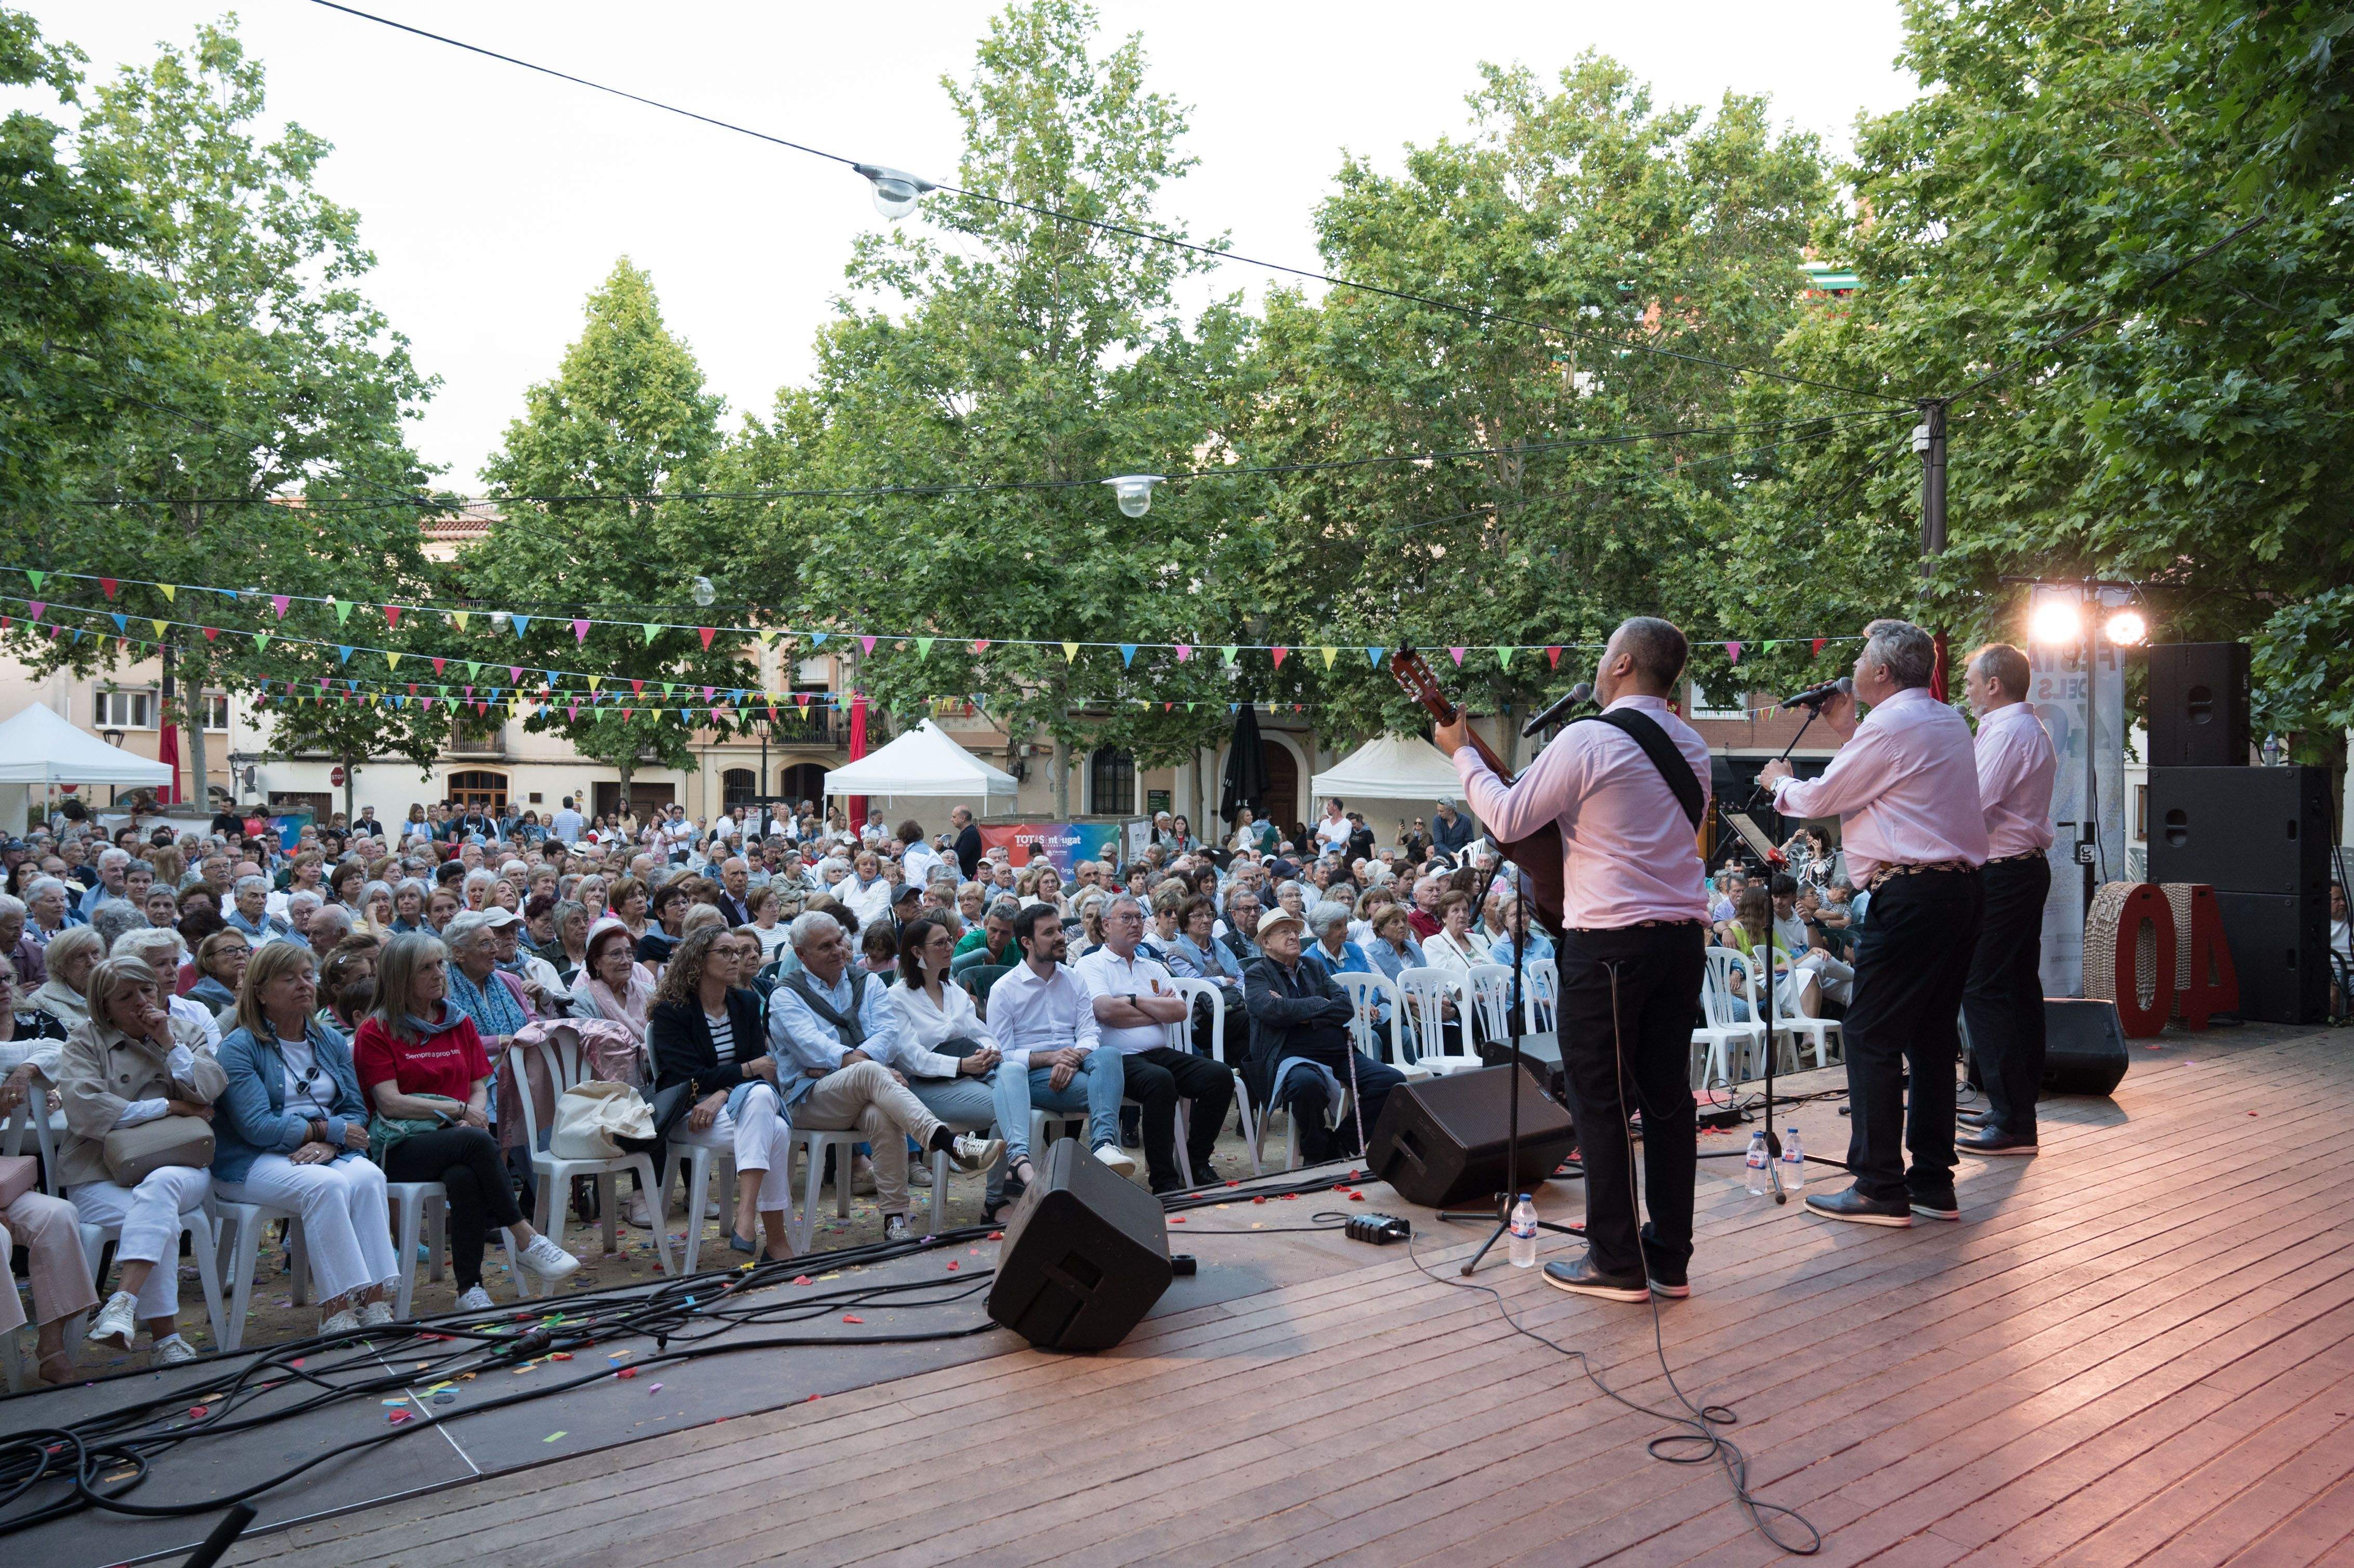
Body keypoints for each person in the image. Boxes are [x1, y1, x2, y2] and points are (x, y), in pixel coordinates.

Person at [1437, 615, 1711, 1302]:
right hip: (1680, 940)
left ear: (1622, 664)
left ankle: (1615, 1260)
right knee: (1669, 1101)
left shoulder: (1588, 738)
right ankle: (1668, 1261)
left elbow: (1506, 819)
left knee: (1600, 1101)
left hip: (1610, 943)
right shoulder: (1693, 745)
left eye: (1604, 654)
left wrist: (1460, 753)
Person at [1761, 619, 1989, 1227]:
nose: (1854, 666)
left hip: (1911, 896)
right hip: (1958, 892)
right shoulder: (1944, 719)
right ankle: (1932, 1183)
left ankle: (1878, 1184)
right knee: (1932, 1037)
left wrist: (1780, 783)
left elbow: (1822, 798)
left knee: (1869, 1033)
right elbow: (1890, 777)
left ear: (1882, 672)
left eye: (1863, 657)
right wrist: (1845, 729)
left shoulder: (1889, 726)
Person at [353, 933, 580, 1309]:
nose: (439, 974)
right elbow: (389, 1103)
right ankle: (524, 1236)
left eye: (440, 964)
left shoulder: (457, 1022)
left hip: (455, 1138)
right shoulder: (377, 1030)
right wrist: (461, 1114)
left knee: (465, 1176)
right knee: (477, 1143)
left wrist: (470, 1115)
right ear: (399, 977)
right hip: (399, 1145)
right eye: (426, 968)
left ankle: (469, 1289)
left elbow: (478, 1085)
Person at [765, 911, 1003, 1243]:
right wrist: (865, 1064)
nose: (839, 950)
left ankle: (896, 1218)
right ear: (802, 955)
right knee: (870, 1073)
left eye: (840, 941)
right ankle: (949, 1143)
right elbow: (810, 1048)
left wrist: (856, 1062)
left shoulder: (868, 982)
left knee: (881, 1110)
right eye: (826, 946)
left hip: (864, 1092)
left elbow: (887, 1036)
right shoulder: (786, 995)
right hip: (809, 1098)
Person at [212, 944, 398, 1335]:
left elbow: (355, 1111)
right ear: (260, 992)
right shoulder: (239, 1047)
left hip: (319, 1151)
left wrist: (332, 1144)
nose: (303, 984)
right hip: (251, 1159)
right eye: (288, 978)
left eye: (306, 975)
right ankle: (336, 1308)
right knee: (326, 1185)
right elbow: (257, 1127)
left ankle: (375, 1300)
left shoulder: (328, 1040)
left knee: (369, 1179)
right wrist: (329, 1131)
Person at [57, 956, 228, 1362]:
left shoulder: (184, 1031)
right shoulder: (85, 1040)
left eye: (147, 990)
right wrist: (170, 1107)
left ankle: (122, 1304)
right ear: (104, 1006)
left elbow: (210, 1090)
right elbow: (87, 1109)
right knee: (159, 1217)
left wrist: (170, 1045)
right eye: (126, 996)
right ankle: (166, 1341)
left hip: (181, 1161)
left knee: (161, 1187)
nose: (141, 1002)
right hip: (98, 1171)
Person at [1957, 642, 2057, 1157]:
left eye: (1972, 680)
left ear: (1994, 684)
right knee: (2016, 989)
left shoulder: (2008, 731)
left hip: (2005, 872)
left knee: (1981, 986)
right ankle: (2016, 1111)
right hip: (2018, 870)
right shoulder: (2019, 727)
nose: (1967, 688)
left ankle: (2012, 1116)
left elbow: (1971, 803)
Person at [648, 927, 792, 1260]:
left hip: (731, 1106)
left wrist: (724, 1093)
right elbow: (689, 1076)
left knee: (763, 1104)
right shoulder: (673, 1011)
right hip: (691, 1115)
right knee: (776, 1127)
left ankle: (746, 1216)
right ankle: (776, 1241)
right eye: (725, 952)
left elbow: (766, 1069)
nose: (736, 960)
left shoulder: (745, 1001)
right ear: (699, 960)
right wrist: (744, 1072)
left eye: (737, 953)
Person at [1076, 896, 1232, 1192]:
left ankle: (1196, 1161)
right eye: (1126, 918)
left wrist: (1133, 1000)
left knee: (1219, 1076)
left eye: (1138, 917)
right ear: (1106, 926)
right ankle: (1164, 1180)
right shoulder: (1091, 964)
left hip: (1159, 1053)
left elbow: (1179, 1011)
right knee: (1160, 1082)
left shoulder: (1153, 967)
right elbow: (1106, 1012)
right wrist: (1154, 1011)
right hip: (1117, 1059)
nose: (1135, 923)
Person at [886, 916, 1024, 1217]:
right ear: (917, 952)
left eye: (950, 940)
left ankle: (1014, 1172)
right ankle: (999, 1196)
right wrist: (962, 1064)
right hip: (923, 1087)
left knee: (1014, 1073)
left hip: (969, 1077)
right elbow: (911, 1058)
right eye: (940, 943)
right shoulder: (898, 997)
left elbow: (982, 1032)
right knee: (1010, 1105)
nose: (949, 947)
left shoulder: (954, 991)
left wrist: (991, 1053)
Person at [1241, 909, 1405, 1162]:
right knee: (1306, 1085)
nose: (1294, 936)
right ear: (1266, 942)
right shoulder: (1257, 974)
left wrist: (1301, 1009)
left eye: (1296, 931)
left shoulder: (1313, 966)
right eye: (1285, 932)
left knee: (1391, 1081)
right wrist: (1320, 1005)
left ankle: (1340, 1142)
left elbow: (1345, 1007)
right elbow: (1273, 1011)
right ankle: (1315, 1151)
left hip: (1335, 1050)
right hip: (1290, 1055)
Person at [987, 905, 1135, 1179]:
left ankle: (1103, 1146)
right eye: (1049, 933)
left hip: (1076, 1060)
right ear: (1027, 943)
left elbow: (1091, 1034)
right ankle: (1104, 1149)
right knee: (1100, 1088)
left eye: (1060, 930)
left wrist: (1072, 1058)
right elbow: (1003, 1055)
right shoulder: (1004, 989)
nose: (1060, 937)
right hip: (1032, 1076)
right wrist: (1050, 1058)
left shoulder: (1074, 978)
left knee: (1110, 1054)